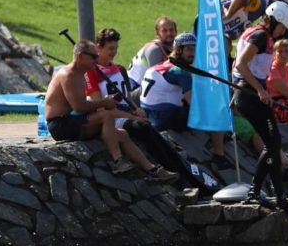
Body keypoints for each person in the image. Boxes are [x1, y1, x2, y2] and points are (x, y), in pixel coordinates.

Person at [45, 40, 179, 180]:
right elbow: (78, 107)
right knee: (106, 116)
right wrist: (105, 102)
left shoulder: (81, 73)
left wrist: (123, 110)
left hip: (73, 120)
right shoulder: (69, 75)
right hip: (60, 125)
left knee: (122, 134)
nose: (97, 60)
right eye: (93, 57)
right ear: (80, 56)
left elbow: (84, 107)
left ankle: (153, 170)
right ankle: (118, 161)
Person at [85, 27, 180, 183]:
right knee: (142, 127)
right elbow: (100, 107)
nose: (113, 52)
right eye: (110, 48)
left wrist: (137, 110)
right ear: (98, 48)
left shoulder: (120, 69)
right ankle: (161, 169)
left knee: (147, 125)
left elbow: (128, 99)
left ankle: (172, 164)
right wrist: (131, 116)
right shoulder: (91, 72)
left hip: (124, 113)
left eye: (115, 48)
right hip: (111, 118)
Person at [233, 1, 288, 211]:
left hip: (249, 93)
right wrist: (260, 90)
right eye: (281, 27)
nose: (282, 32)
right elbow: (241, 64)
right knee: (272, 144)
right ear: (274, 20)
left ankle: (278, 196)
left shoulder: (264, 36)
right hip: (249, 93)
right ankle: (256, 192)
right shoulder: (260, 36)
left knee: (273, 143)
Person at [139, 32, 229, 167]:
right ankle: (219, 154)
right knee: (217, 109)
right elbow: (195, 105)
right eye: (188, 49)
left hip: (149, 114)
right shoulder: (180, 72)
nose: (192, 53)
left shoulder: (159, 66)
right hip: (164, 119)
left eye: (194, 49)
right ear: (177, 50)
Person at [128, 16, 176, 88]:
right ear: (157, 34)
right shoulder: (154, 49)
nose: (169, 33)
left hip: (146, 86)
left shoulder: (173, 47)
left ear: (176, 31)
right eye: (164, 31)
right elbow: (157, 77)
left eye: (171, 30)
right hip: (134, 86)